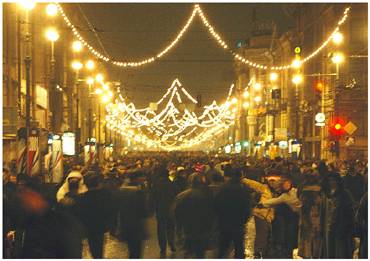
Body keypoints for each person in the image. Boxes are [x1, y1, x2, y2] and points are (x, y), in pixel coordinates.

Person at [172, 172, 214, 258]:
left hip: (188, 228)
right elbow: (212, 212)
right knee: (200, 253)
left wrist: (180, 225)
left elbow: (176, 211)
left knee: (189, 251)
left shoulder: (183, 195)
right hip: (203, 229)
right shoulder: (208, 194)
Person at [215, 167, 252, 259]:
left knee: (223, 246)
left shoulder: (223, 188)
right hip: (238, 222)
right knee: (239, 246)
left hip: (224, 221)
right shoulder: (243, 189)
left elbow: (217, 204)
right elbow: (247, 206)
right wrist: (244, 219)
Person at [79, 173, 114, 258]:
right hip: (101, 226)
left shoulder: (83, 197)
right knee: (99, 247)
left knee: (94, 247)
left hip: (89, 227)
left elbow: (81, 213)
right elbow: (110, 208)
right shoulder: (104, 194)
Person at [321, 172, 355, 258]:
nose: (332, 182)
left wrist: (347, 225)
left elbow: (350, 210)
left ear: (338, 181)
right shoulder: (326, 194)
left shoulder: (345, 194)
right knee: (329, 249)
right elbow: (323, 211)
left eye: (334, 180)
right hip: (328, 226)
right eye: (330, 181)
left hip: (341, 226)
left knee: (340, 251)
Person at [241, 172, 274, 258]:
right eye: (270, 180)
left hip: (271, 217)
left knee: (268, 235)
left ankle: (265, 252)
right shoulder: (264, 188)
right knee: (262, 235)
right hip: (261, 215)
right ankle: (258, 253)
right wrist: (243, 179)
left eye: (274, 180)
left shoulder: (280, 191)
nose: (272, 182)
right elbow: (254, 184)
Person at [118, 170, 149, 258]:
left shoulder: (122, 189)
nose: (144, 179)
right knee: (136, 251)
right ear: (136, 178)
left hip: (125, 223)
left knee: (132, 249)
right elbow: (142, 211)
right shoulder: (138, 192)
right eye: (142, 177)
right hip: (136, 225)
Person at [151, 165, 177, 257]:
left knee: (161, 229)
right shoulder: (171, 183)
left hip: (160, 209)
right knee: (170, 227)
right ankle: (171, 243)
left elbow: (153, 197)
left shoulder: (156, 184)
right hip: (170, 209)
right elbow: (176, 195)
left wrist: (152, 208)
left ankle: (163, 248)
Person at [297, 175, 323, 258]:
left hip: (308, 215)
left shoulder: (303, 189)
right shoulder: (320, 189)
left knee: (307, 237)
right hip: (315, 215)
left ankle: (308, 255)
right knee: (315, 237)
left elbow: (300, 200)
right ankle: (315, 255)